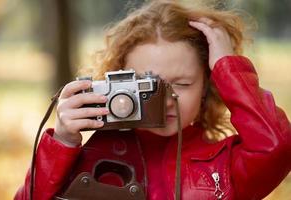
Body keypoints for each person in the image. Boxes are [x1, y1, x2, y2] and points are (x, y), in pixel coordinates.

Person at [15, 0, 291, 199]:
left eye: (182, 84)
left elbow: (277, 148)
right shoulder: (93, 154)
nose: (165, 101)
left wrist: (228, 68)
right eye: (146, 86)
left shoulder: (223, 166)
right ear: (118, 82)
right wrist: (62, 143)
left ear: (208, 85)